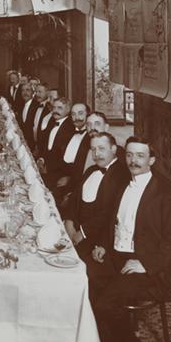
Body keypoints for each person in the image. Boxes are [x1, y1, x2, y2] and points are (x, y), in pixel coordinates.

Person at [88, 137, 171, 342]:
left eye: (140, 156)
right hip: (116, 256)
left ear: (151, 160)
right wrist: (103, 245)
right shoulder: (124, 185)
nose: (133, 161)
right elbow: (113, 223)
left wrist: (145, 263)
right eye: (130, 155)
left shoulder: (164, 195)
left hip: (145, 267)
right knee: (83, 283)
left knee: (105, 304)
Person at [62, 132, 129, 262]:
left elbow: (110, 212)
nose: (96, 154)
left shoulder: (121, 175)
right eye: (93, 149)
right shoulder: (90, 170)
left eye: (101, 148)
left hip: (98, 241)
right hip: (74, 232)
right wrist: (69, 221)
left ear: (113, 149)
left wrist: (82, 233)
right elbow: (74, 198)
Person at [37, 97, 74, 196]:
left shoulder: (71, 128)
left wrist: (48, 168)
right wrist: (42, 159)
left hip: (60, 175)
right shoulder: (52, 122)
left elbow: (67, 157)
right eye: (54, 107)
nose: (55, 111)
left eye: (59, 108)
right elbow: (46, 146)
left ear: (68, 110)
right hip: (47, 171)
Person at [57, 102, 91, 197]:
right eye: (73, 114)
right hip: (61, 177)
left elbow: (86, 169)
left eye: (80, 113)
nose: (76, 117)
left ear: (87, 115)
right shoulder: (68, 133)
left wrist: (69, 179)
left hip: (77, 186)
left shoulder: (91, 138)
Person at [18, 83, 38, 149]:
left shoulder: (37, 106)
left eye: (28, 90)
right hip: (23, 143)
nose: (25, 93)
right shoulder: (21, 105)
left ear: (33, 92)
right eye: (23, 90)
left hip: (33, 144)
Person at [31, 83, 50, 149]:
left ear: (47, 92)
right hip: (34, 145)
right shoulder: (35, 106)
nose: (37, 94)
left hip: (44, 146)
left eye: (40, 92)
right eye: (36, 92)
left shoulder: (50, 108)